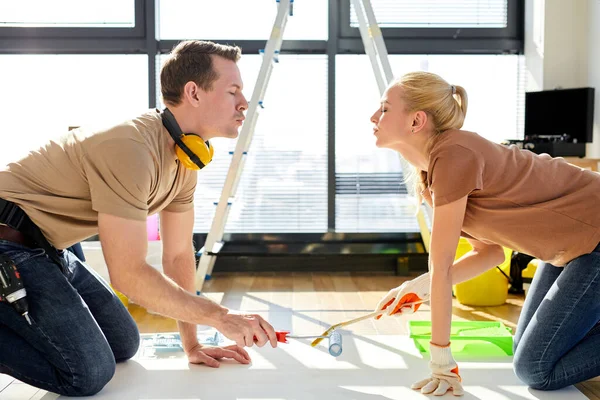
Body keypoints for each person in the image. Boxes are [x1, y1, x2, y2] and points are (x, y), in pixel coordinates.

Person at [0, 40, 278, 397]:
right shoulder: (131, 149)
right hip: (9, 243)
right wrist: (221, 317)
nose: (244, 103)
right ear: (194, 92)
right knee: (86, 373)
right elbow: (128, 274)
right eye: (233, 91)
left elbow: (177, 256)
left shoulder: (184, 161)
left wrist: (191, 345)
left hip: (49, 247)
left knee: (123, 343)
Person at [370, 71, 600, 396]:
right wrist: (416, 287)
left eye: (384, 109)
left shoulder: (454, 155)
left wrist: (441, 362)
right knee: (527, 350)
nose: (373, 117)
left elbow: (442, 268)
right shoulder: (433, 174)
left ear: (416, 120)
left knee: (535, 369)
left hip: (595, 242)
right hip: (572, 250)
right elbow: (489, 253)